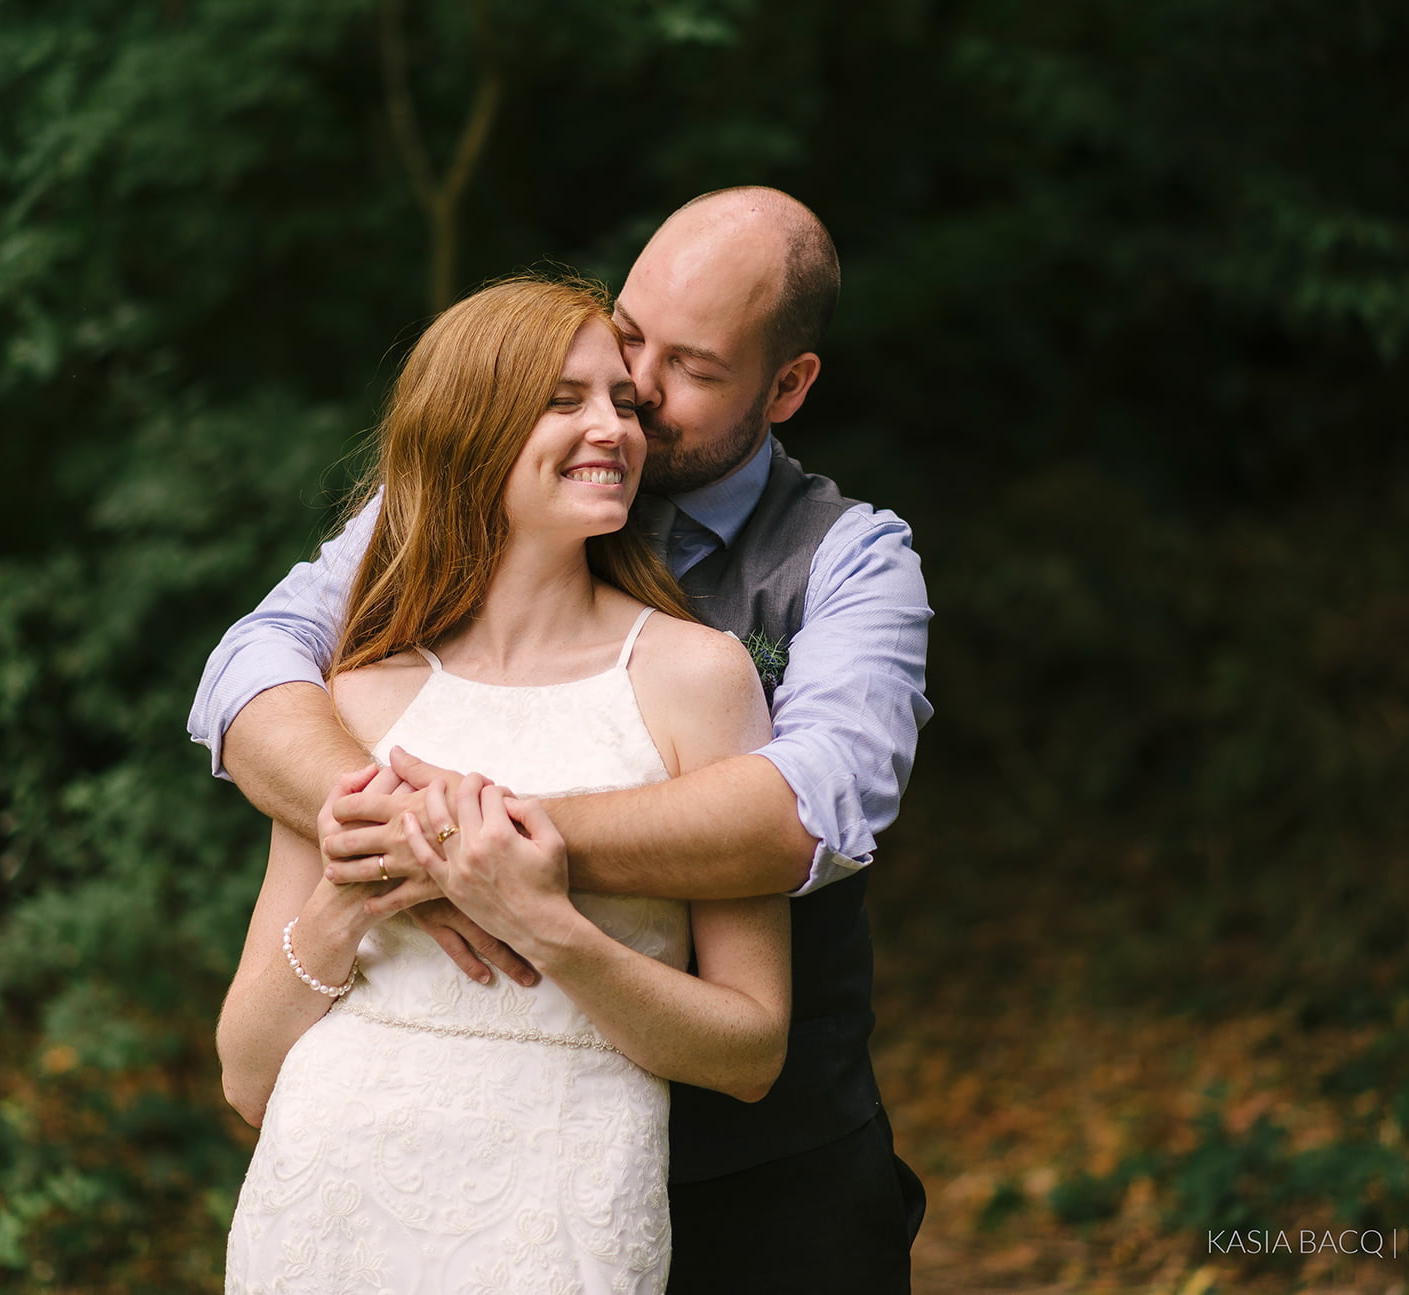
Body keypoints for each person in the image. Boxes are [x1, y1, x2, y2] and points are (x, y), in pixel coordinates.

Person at [192, 187, 933, 1291]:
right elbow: (257, 665)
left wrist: (483, 850)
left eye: (690, 367)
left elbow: (798, 813)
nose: (635, 392)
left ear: (786, 387)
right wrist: (389, 832)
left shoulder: (845, 563)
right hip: (387, 1177)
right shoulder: (430, 537)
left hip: (762, 1173)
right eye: (629, 336)